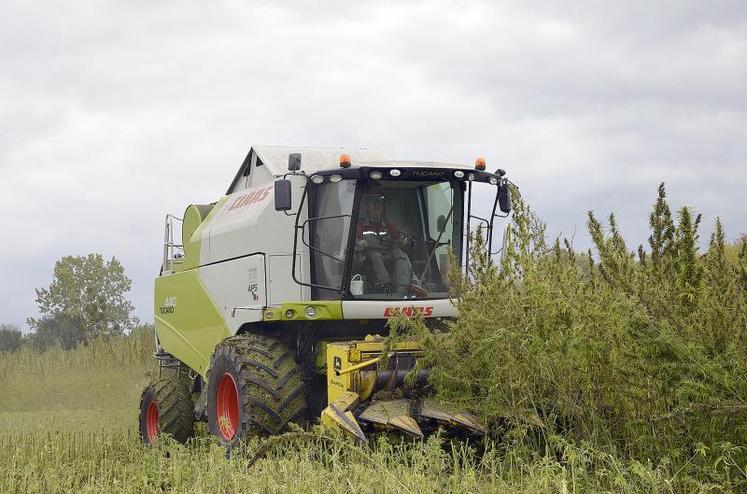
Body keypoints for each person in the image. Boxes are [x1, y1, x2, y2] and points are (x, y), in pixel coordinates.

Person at [354, 194, 418, 294]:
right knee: (376, 256)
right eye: (374, 208)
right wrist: (359, 242)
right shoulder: (362, 226)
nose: (377, 211)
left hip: (387, 252)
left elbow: (398, 235)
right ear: (369, 209)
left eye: (379, 208)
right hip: (371, 254)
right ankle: (386, 284)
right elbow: (356, 241)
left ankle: (410, 283)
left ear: (382, 210)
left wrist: (402, 239)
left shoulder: (387, 225)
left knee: (401, 254)